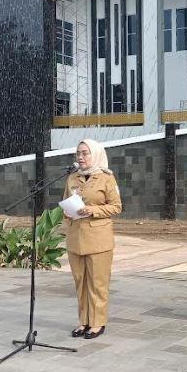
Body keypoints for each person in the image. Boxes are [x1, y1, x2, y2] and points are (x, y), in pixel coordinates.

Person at [63, 139, 122, 340]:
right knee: (80, 282)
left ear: (95, 154)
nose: (80, 157)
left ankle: (97, 323)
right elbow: (65, 203)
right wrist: (68, 213)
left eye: (85, 153)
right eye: (78, 153)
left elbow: (116, 207)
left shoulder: (106, 178)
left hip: (98, 238)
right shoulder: (72, 178)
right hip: (75, 237)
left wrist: (93, 210)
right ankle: (84, 321)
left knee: (97, 282)